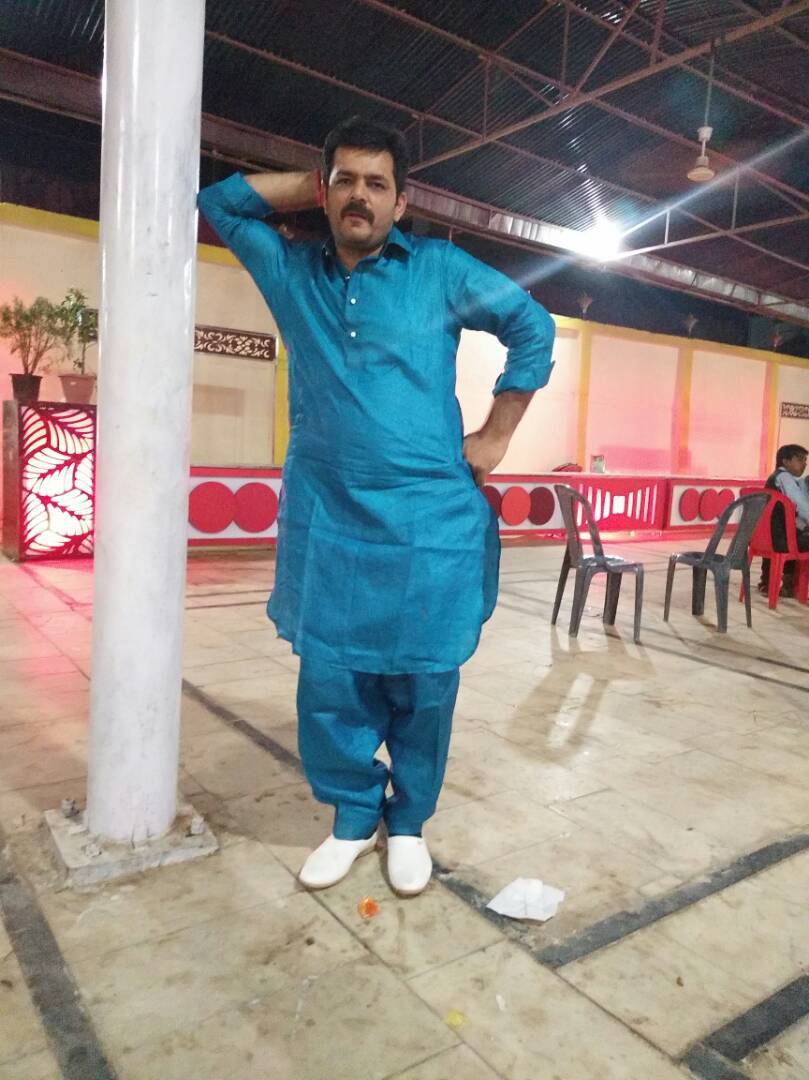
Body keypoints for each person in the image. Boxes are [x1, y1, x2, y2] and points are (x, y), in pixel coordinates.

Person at [197, 116, 555, 896]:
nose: (360, 197)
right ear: (323, 191)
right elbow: (219, 203)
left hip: (428, 521)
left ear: (402, 201)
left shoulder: (439, 270)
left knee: (423, 684)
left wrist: (495, 434)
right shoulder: (291, 271)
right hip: (328, 519)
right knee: (332, 681)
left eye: (377, 184)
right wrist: (314, 181)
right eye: (345, 182)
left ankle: (410, 822)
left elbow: (532, 326)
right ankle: (354, 817)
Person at [758, 443, 809, 596]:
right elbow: (801, 506)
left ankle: (768, 582)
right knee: (800, 538)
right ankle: (792, 585)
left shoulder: (775, 478)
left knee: (797, 533)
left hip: (765, 539)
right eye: (800, 459)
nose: (804, 464)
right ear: (786, 461)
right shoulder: (785, 478)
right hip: (780, 540)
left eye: (805, 460)